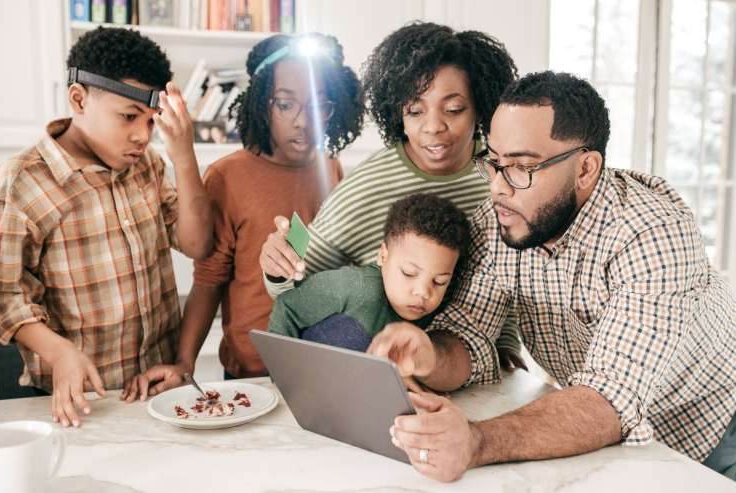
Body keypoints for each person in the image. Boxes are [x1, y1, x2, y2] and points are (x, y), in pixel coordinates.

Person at [368, 71, 736, 482]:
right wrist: (429, 353)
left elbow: (607, 400)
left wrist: (476, 441)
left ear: (585, 170)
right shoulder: (500, 223)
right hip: (612, 438)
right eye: (494, 163)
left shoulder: (652, 234)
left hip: (711, 426)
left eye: (522, 167)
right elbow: (469, 338)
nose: (497, 189)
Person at [259, 22, 526, 369]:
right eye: (415, 111)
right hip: (376, 368)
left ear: (480, 108)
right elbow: (295, 292)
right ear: (397, 113)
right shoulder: (366, 187)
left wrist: (506, 348)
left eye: (454, 109)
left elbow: (506, 282)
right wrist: (278, 267)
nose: (432, 127)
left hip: (460, 369)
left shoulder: (500, 180)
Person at [121, 33, 364, 400]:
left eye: (320, 106)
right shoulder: (226, 176)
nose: (303, 121)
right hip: (251, 371)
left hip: (321, 361)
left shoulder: (330, 168)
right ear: (262, 104)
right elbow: (208, 281)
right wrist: (184, 365)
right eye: (286, 105)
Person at [0, 27, 213, 426]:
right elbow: (5, 294)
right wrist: (60, 352)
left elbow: (198, 245)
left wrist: (183, 155)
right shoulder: (24, 180)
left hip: (159, 390)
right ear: (79, 99)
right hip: (78, 402)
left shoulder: (149, 167)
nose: (142, 136)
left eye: (151, 121)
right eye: (129, 117)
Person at [268, 193, 470, 354]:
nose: (423, 292)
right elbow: (287, 306)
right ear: (383, 256)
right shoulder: (355, 286)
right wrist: (284, 376)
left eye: (440, 281)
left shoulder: (437, 310)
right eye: (409, 273)